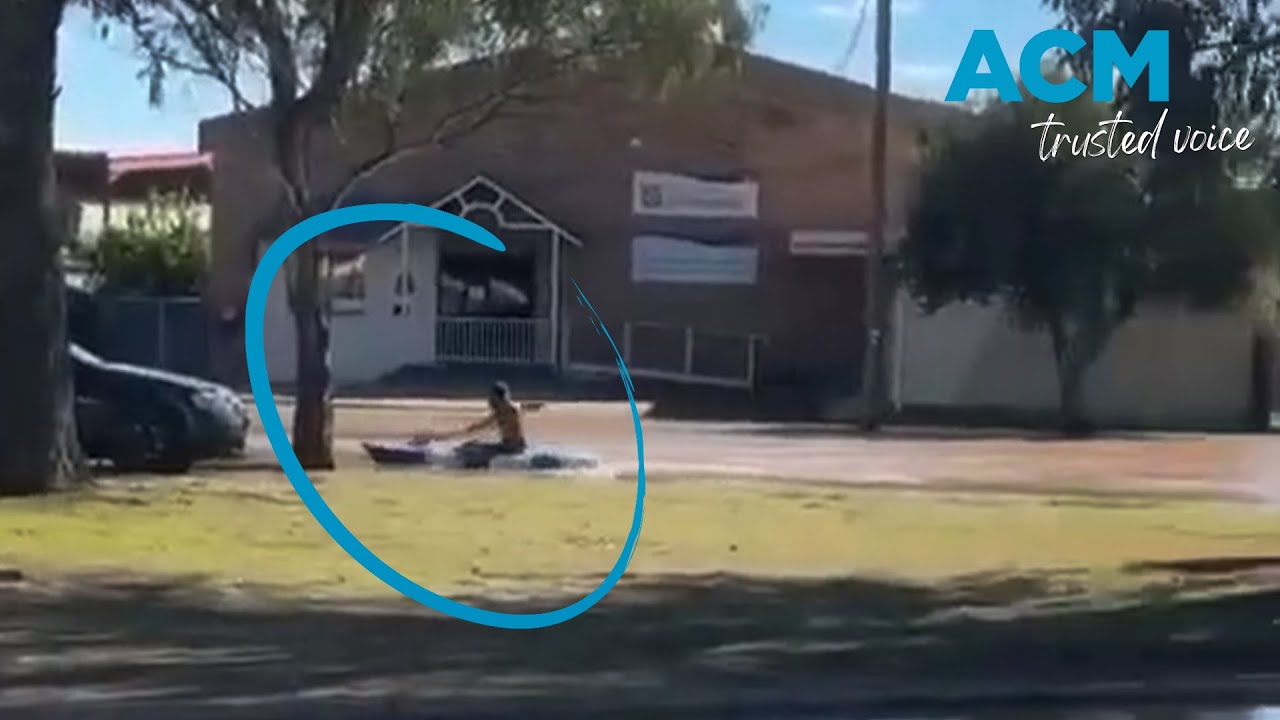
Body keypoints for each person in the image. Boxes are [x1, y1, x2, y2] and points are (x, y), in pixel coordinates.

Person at [412, 381, 529, 469]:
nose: (490, 401)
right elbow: (480, 426)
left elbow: (514, 417)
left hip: (513, 448)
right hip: (506, 446)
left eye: (492, 398)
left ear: (499, 398)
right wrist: (436, 436)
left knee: (473, 448)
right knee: (471, 445)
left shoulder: (512, 411)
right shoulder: (499, 412)